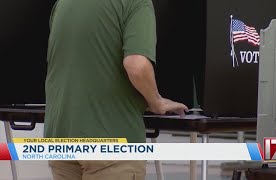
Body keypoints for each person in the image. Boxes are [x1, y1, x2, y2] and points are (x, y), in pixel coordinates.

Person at [43, 0, 188, 179]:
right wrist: (156, 101)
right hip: (113, 141)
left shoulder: (63, 4)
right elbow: (137, 65)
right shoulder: (136, 3)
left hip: (60, 138)